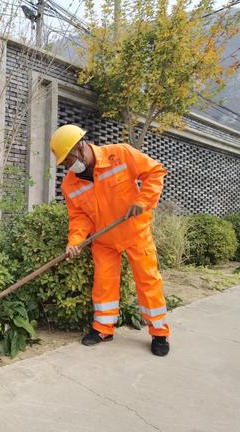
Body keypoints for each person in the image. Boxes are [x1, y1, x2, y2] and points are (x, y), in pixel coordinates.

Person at [50, 124, 170, 356]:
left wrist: (142, 201)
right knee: (104, 283)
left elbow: (155, 172)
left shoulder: (121, 154)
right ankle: (103, 328)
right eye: (64, 163)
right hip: (103, 239)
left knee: (148, 282)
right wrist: (74, 241)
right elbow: (79, 217)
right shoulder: (70, 184)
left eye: (69, 159)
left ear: (81, 146)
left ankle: (159, 332)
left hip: (135, 232)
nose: (68, 166)